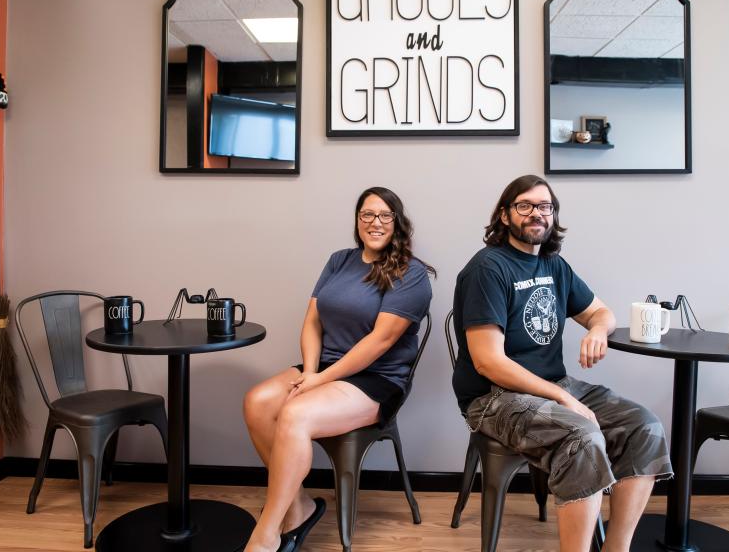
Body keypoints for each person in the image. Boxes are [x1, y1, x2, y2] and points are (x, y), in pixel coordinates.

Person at [452, 175, 672, 552]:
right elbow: (488, 362)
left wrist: (597, 331)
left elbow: (601, 312)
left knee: (644, 427)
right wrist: (562, 397)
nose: (536, 213)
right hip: (492, 397)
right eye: (525, 205)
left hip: (552, 385)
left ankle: (616, 547)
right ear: (505, 215)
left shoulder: (554, 266)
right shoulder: (488, 269)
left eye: (545, 206)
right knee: (582, 437)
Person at [243, 187, 434, 552]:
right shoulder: (339, 260)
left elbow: (378, 342)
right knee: (257, 401)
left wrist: (318, 381)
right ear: (357, 220)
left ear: (397, 222)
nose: (375, 222)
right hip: (326, 367)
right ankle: (298, 507)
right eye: (367, 214)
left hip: (377, 378)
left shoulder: (412, 274)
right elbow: (313, 321)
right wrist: (311, 372)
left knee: (295, 414)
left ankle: (266, 533)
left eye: (384, 215)